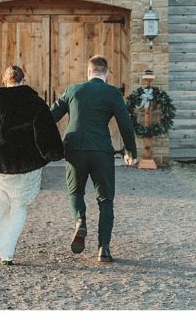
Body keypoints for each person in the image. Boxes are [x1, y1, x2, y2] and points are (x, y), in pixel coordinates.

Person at [0, 65, 64, 265]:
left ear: (4, 81)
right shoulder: (35, 104)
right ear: (23, 80)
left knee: (0, 197)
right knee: (18, 206)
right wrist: (54, 152)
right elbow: (46, 133)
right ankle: (6, 253)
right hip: (28, 166)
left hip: (2, 164)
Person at [50, 55, 138, 263]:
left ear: (88, 72)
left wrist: (50, 146)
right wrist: (131, 152)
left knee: (75, 192)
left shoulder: (73, 90)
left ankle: (80, 220)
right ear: (106, 73)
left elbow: (49, 117)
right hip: (101, 151)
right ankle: (103, 249)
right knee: (105, 200)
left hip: (75, 150)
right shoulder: (113, 93)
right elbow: (125, 124)